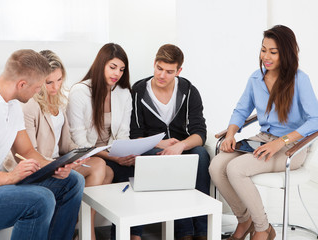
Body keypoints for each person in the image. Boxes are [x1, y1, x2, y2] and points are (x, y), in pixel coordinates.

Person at [0, 49, 85, 240]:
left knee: (72, 181)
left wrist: (58, 167)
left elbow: (26, 151)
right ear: (22, 84)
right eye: (37, 87)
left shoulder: (12, 106)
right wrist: (9, 178)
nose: (38, 92)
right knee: (40, 200)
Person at [209, 25, 318, 240]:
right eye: (263, 49)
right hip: (263, 140)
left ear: (285, 53)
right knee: (216, 165)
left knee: (236, 169)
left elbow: (315, 119)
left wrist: (281, 143)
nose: (266, 56)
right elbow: (241, 110)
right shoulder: (256, 79)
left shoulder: (299, 80)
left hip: (290, 148)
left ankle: (262, 228)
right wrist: (231, 133)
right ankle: (245, 220)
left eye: (273, 52)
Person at [3, 50, 110, 240]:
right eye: (49, 82)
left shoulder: (60, 101)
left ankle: (83, 227)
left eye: (59, 80)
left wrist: (81, 154)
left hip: (55, 160)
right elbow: (29, 151)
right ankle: (85, 233)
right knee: (87, 174)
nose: (55, 87)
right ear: (38, 80)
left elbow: (66, 144)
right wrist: (58, 164)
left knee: (104, 168)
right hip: (36, 165)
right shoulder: (29, 105)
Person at [130, 44, 210, 240]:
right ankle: (184, 233)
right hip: (152, 149)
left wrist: (180, 145)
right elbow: (135, 136)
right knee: (152, 160)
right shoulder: (139, 91)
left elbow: (200, 133)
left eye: (169, 71)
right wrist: (160, 144)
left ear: (178, 71)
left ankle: (202, 232)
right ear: (154, 64)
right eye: (159, 68)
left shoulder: (188, 90)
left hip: (181, 147)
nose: (162, 75)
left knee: (200, 154)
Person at [66, 42, 135, 239]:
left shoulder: (123, 93)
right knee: (103, 169)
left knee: (113, 170)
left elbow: (123, 134)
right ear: (101, 64)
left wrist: (125, 153)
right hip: (83, 155)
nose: (117, 73)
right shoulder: (80, 92)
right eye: (112, 67)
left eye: (121, 69)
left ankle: (81, 228)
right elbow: (79, 142)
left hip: (110, 156)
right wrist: (114, 158)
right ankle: (86, 231)